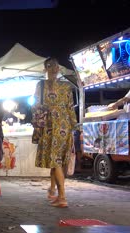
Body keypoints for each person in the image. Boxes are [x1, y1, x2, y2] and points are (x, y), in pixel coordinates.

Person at [34, 57, 77, 208]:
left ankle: (63, 197)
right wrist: (74, 126)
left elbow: (36, 108)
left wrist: (37, 127)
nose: (54, 69)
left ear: (46, 69)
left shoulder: (41, 85)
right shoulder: (66, 86)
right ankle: (53, 191)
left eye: (53, 66)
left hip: (51, 126)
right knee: (57, 161)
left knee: (56, 161)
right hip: (65, 126)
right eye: (54, 66)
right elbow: (71, 108)